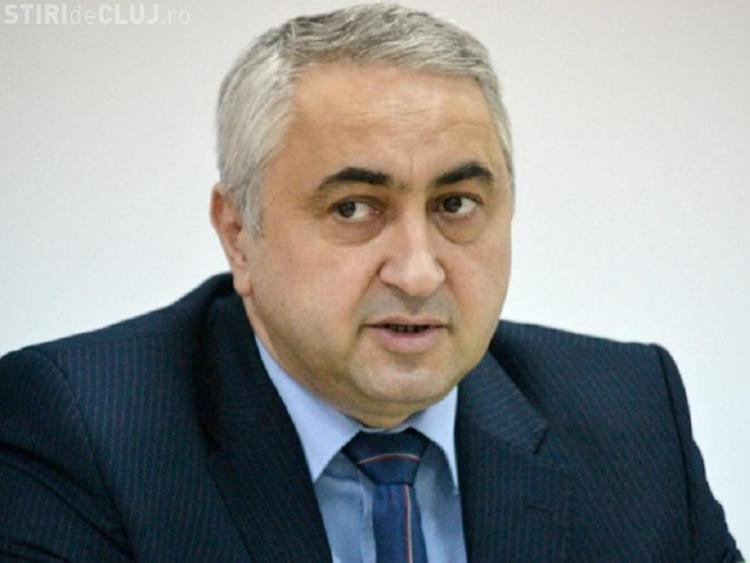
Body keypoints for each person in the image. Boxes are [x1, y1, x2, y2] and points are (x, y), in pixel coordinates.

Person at [0, 4, 742, 562]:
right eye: (354, 208)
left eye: (456, 205)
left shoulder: (632, 414)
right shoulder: (80, 430)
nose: (418, 272)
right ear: (238, 232)